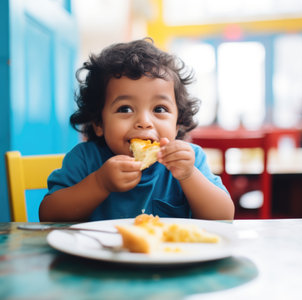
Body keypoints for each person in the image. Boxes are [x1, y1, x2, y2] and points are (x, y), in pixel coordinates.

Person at [39, 38, 234, 222]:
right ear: (99, 123)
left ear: (177, 123)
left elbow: (224, 217)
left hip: (169, 256)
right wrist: (99, 183)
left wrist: (189, 175)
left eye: (159, 109)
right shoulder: (85, 159)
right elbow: (49, 215)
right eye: (125, 109)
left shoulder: (189, 161)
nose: (144, 122)